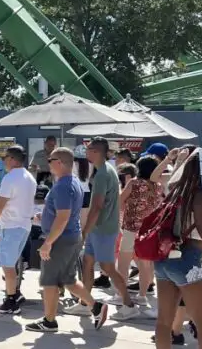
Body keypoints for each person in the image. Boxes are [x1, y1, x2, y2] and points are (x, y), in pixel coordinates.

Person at [25, 146, 108, 333]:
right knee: (68, 279)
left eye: (50, 160)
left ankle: (49, 321)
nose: (48, 164)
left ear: (60, 163)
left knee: (49, 281)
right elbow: (64, 215)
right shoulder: (73, 182)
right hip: (69, 237)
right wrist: (44, 217)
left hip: (60, 240)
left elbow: (63, 217)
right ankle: (95, 307)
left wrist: (47, 243)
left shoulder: (63, 186)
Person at [152, 150, 202, 349]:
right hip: (189, 260)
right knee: (201, 321)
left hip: (163, 259)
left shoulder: (174, 189)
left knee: (163, 321)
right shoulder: (199, 195)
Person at [82, 137, 137, 319]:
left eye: (88, 149)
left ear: (96, 152)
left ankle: (129, 305)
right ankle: (85, 302)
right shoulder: (106, 170)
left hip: (103, 228)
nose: (86, 152)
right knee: (88, 262)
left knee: (108, 267)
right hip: (99, 228)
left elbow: (97, 206)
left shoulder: (103, 174)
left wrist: (84, 231)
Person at [0, 145, 36, 315]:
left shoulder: (10, 178)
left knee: (7, 265)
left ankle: (10, 301)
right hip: (24, 226)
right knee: (12, 264)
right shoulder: (30, 177)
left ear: (12, 159)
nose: (4, 160)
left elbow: (0, 205)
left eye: (6, 157)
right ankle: (15, 294)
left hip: (11, 226)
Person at [119, 156, 162, 309]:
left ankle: (121, 294)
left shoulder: (134, 183)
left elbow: (120, 202)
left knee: (123, 262)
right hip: (148, 230)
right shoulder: (158, 186)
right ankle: (142, 295)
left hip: (131, 227)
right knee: (145, 263)